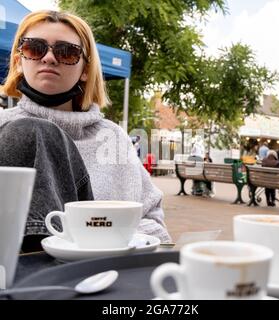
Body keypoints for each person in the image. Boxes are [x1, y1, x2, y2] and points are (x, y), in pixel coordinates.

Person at [0, 10, 171, 251]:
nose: (49, 58)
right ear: (19, 61)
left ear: (85, 71)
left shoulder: (114, 138)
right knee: (29, 133)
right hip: (15, 270)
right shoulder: (3, 125)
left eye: (66, 52)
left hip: (98, 271)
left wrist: (106, 239)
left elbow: (155, 227)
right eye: (34, 48)